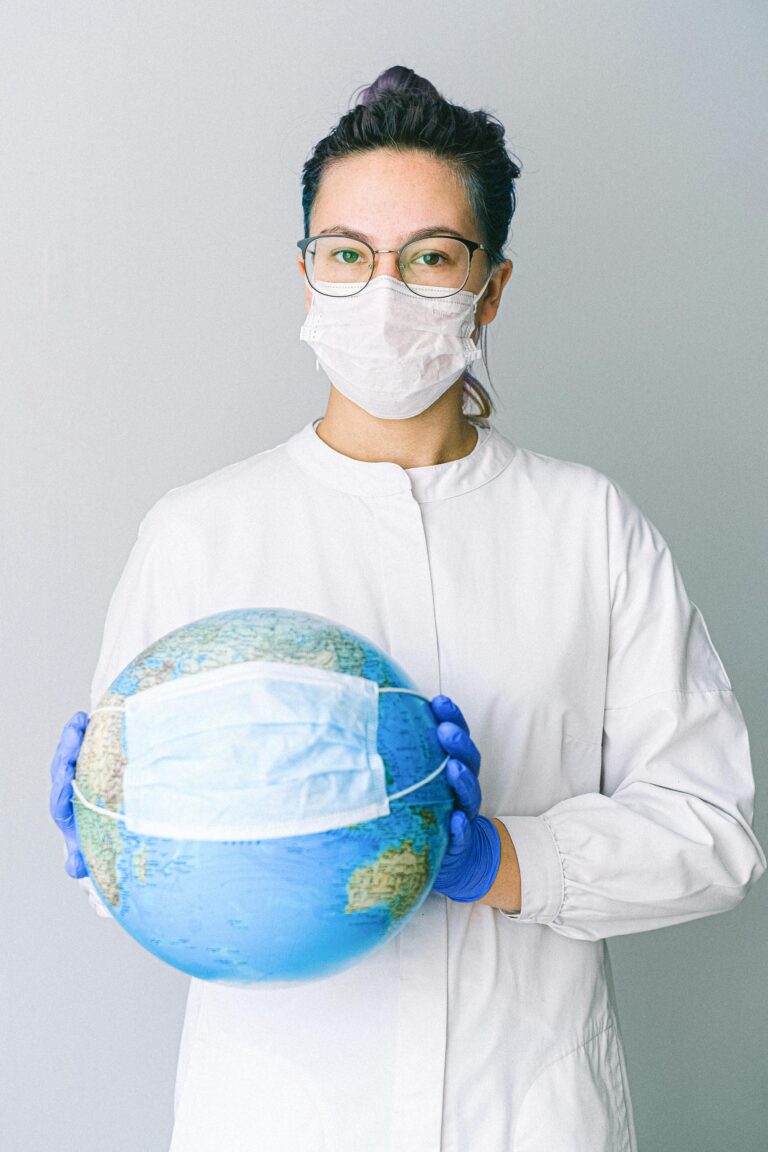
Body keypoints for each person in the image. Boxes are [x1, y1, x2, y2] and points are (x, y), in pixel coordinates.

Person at [49, 65, 766, 1151]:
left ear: (492, 286)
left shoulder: (589, 526)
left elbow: (714, 837)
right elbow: (156, 877)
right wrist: (108, 839)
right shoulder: (200, 534)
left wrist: (497, 858)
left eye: (431, 256)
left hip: (529, 1109)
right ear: (306, 276)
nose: (383, 292)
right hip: (279, 1115)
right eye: (347, 255)